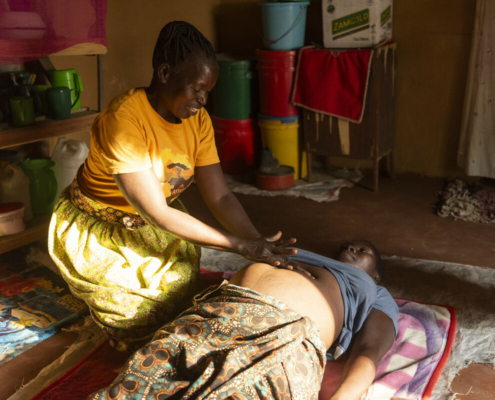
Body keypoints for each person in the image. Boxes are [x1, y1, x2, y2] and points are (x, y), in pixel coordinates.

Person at [48, 21, 299, 352]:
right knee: (138, 321)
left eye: (208, 91)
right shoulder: (124, 120)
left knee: (178, 297)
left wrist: (255, 242)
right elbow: (157, 214)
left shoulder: (198, 122)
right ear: (165, 73)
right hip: (101, 228)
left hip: (155, 221)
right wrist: (237, 245)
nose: (203, 101)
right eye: (197, 89)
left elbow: (220, 195)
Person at [88, 240, 398, 400]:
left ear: (376, 275)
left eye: (363, 249)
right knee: (148, 378)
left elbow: (369, 351)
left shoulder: (377, 292)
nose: (350, 247)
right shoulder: (301, 254)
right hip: (216, 313)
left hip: (282, 334)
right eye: (348, 244)